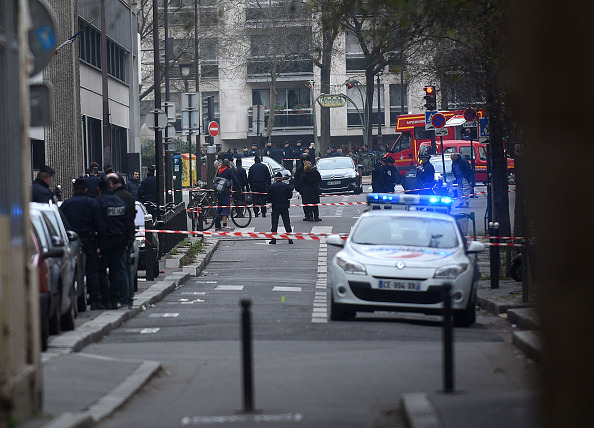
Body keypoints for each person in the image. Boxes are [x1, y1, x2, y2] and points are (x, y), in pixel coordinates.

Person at [60, 177, 107, 310]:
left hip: (71, 241)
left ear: (73, 189)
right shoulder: (92, 204)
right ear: (86, 189)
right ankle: (95, 299)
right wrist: (101, 246)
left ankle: (76, 299)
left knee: (73, 271)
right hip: (89, 240)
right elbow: (100, 225)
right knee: (92, 270)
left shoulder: (66, 205)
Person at [96, 175, 133, 309]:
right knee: (116, 271)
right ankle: (115, 299)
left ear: (99, 188)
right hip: (118, 240)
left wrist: (98, 244)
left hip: (104, 241)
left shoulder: (99, 202)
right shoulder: (119, 202)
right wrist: (126, 243)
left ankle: (105, 299)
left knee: (101, 271)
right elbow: (127, 223)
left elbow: (98, 224)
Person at [109, 173, 136, 308]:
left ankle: (124, 297)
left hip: (121, 236)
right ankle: (129, 297)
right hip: (129, 234)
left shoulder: (116, 198)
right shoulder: (129, 196)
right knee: (126, 267)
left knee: (121, 267)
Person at [267, 172, 294, 245]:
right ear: (282, 179)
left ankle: (273, 239)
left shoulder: (272, 186)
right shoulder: (286, 186)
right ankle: (290, 238)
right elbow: (290, 196)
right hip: (284, 205)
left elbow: (268, 198)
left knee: (274, 223)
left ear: (275, 179)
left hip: (275, 206)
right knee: (286, 222)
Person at [214, 159, 240, 230]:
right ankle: (225, 224)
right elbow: (234, 179)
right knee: (226, 206)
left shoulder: (219, 170)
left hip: (219, 190)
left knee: (219, 206)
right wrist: (239, 188)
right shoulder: (228, 170)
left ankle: (217, 224)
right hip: (225, 191)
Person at [294, 153, 311, 221]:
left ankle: (314, 215)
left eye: (306, 160)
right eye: (303, 160)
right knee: (305, 202)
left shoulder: (311, 168)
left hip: (310, 188)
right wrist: (298, 188)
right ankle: (307, 215)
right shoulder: (299, 169)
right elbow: (296, 179)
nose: (305, 161)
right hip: (303, 189)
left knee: (312, 202)